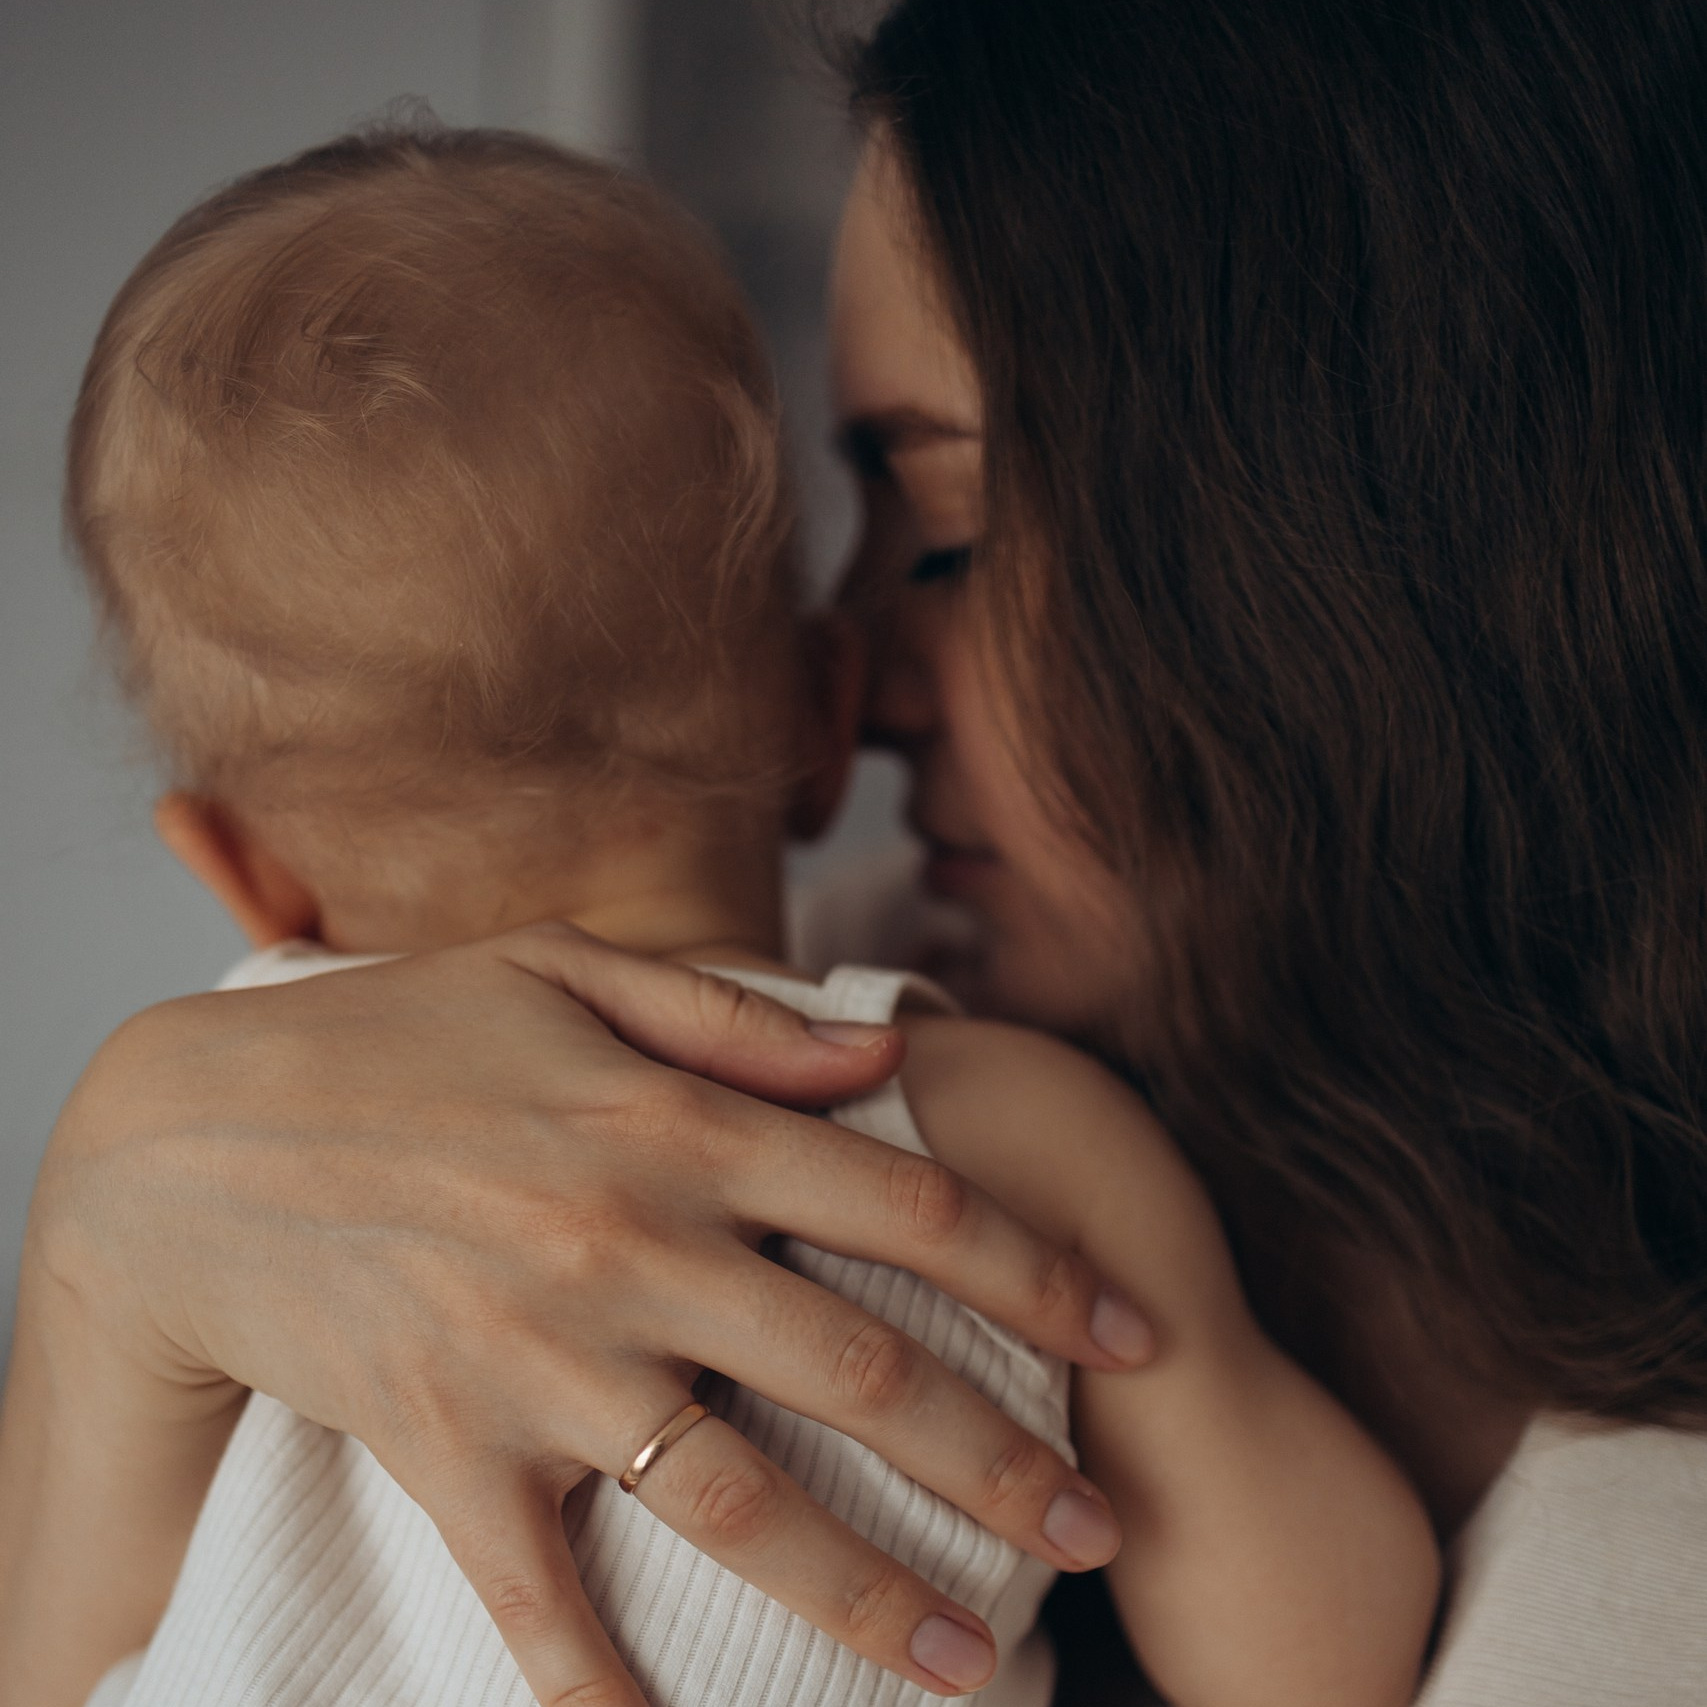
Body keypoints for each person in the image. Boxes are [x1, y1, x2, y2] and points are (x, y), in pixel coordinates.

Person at [4, 0, 1705, 1702]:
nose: (868, 654)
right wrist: (108, 1234)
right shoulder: (1005, 1123)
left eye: (948, 534)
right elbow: (1318, 1653)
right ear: (805, 729)